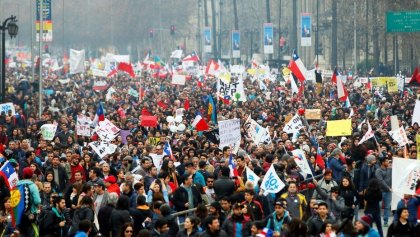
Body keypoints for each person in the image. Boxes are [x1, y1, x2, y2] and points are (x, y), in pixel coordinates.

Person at [16, 167, 41, 237]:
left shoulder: (17, 185)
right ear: (32, 175)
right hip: (31, 215)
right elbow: (37, 201)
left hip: (19, 215)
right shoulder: (33, 186)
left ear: (23, 175)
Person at [374, 158, 392, 227]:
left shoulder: (390, 169)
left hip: (388, 192)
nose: (388, 162)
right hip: (380, 191)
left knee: (387, 207)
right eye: (387, 161)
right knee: (378, 206)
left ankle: (385, 221)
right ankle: (377, 220)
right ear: (382, 162)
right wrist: (388, 188)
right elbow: (381, 181)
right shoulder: (378, 171)